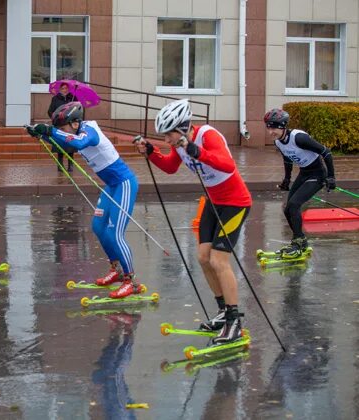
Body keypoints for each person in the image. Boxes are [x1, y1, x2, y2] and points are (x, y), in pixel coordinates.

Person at [136, 99, 252, 344]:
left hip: (235, 203)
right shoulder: (180, 144)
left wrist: (197, 151)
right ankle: (223, 311)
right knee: (202, 257)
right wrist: (151, 152)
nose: (166, 141)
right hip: (213, 200)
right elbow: (169, 167)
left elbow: (228, 165)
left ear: (183, 126)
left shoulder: (208, 135)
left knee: (219, 260)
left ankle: (235, 322)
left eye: (168, 135)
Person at [27, 102, 141, 299]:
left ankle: (132, 281)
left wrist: (50, 130)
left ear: (74, 123)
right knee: (98, 227)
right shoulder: (76, 131)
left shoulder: (90, 130)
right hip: (111, 186)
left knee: (115, 233)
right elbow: (64, 143)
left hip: (124, 184)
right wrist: (42, 135)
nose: (61, 131)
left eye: (63, 128)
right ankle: (116, 270)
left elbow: (78, 143)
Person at [264, 108, 336, 258]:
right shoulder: (278, 142)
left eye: (274, 127)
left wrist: (331, 177)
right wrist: (286, 180)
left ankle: (297, 243)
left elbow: (326, 152)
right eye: (268, 127)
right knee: (287, 209)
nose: (271, 131)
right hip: (304, 173)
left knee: (294, 206)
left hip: (317, 173)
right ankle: (300, 240)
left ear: (283, 126)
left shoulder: (299, 138)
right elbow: (287, 159)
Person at [47, 82, 76, 172]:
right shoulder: (55, 99)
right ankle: (60, 165)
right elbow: (50, 111)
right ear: (60, 89)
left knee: (70, 145)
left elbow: (78, 110)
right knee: (60, 145)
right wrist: (56, 115)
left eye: (66, 88)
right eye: (63, 88)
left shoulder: (73, 98)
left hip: (70, 125)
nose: (65, 90)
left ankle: (70, 164)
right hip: (59, 125)